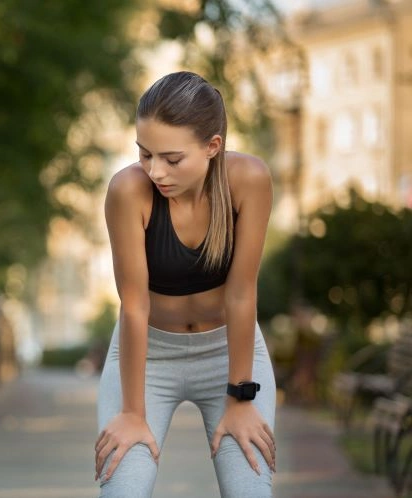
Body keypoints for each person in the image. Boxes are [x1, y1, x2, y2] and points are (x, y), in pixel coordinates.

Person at [94, 71, 277, 498]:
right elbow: (134, 306)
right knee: (123, 489)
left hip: (229, 354)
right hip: (149, 357)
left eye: (172, 159)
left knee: (250, 490)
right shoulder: (127, 191)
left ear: (213, 146)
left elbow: (241, 292)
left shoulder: (249, 180)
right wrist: (132, 414)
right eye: (144, 154)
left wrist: (241, 397)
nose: (155, 171)